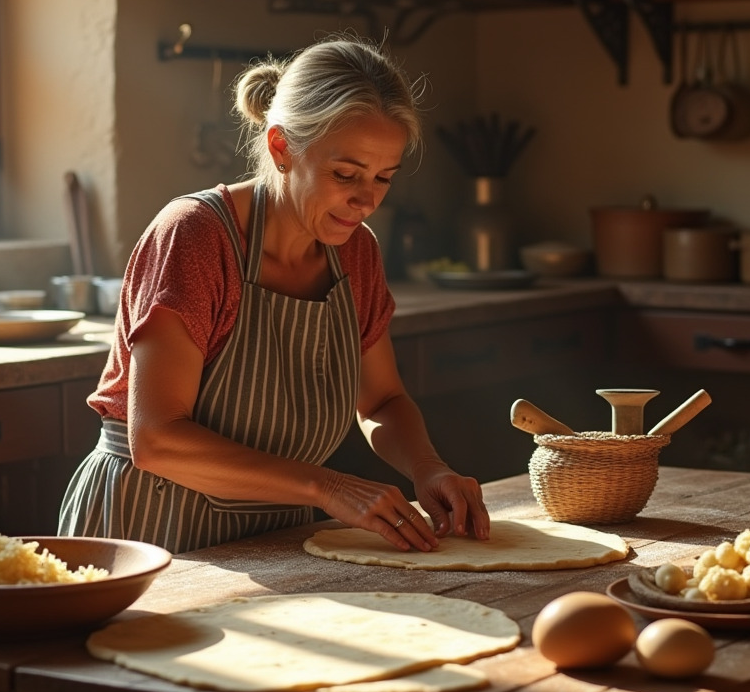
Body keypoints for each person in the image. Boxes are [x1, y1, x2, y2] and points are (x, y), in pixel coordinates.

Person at [58, 34, 490, 555]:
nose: (366, 200)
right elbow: (157, 440)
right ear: (281, 147)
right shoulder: (197, 236)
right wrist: (329, 487)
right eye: (346, 174)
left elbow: (381, 399)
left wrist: (428, 467)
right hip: (148, 524)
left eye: (383, 178)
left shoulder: (355, 254)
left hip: (276, 533)